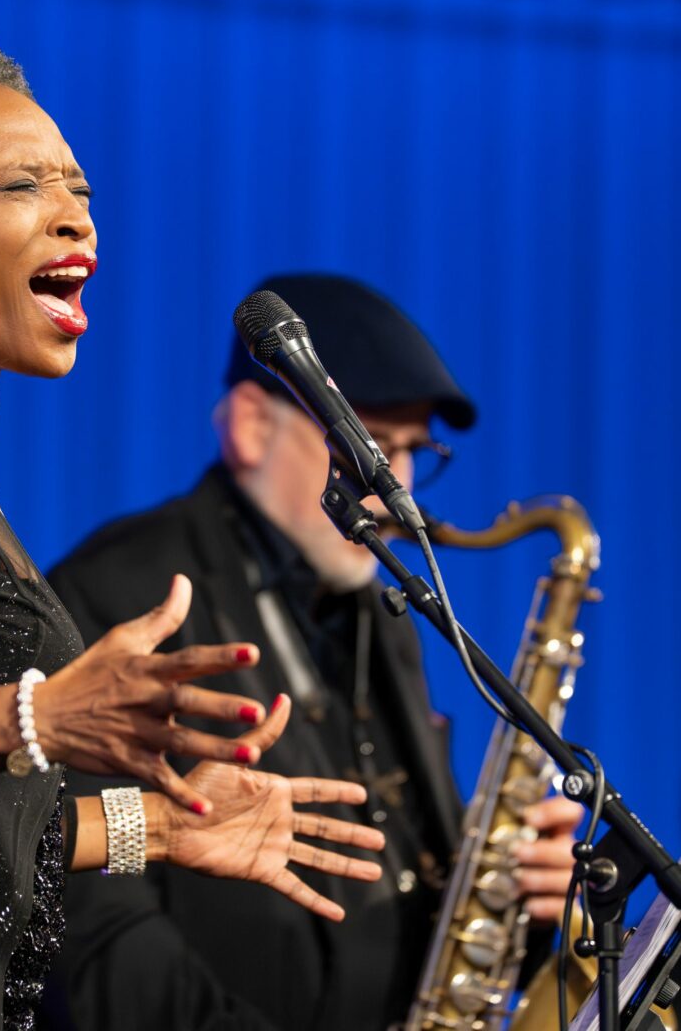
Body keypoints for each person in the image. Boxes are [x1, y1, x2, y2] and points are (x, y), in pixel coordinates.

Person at [0, 43, 386, 1031]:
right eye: (22, 185)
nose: (74, 214)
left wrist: (158, 825)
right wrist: (31, 722)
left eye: (79, 189)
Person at [45, 274, 582, 1031]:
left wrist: (514, 905)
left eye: (406, 450)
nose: (392, 485)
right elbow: (96, 939)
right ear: (251, 429)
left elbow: (406, 865)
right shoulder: (118, 593)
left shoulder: (376, 603)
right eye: (361, 443)